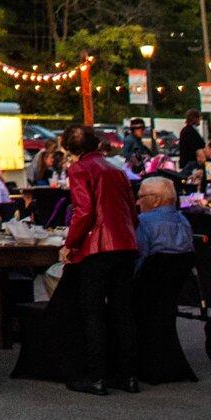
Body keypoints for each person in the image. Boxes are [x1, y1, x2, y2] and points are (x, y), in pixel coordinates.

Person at [60, 124, 140, 396]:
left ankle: (97, 375)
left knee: (92, 311)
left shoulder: (79, 170)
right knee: (123, 309)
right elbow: (131, 208)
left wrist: (70, 244)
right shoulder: (116, 168)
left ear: (71, 149)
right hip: (125, 242)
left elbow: (84, 211)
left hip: (98, 247)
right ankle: (128, 375)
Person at [134, 176, 194, 265]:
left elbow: (139, 262)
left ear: (157, 200)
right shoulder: (184, 220)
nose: (137, 202)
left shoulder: (142, 222)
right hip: (182, 276)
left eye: (141, 196)